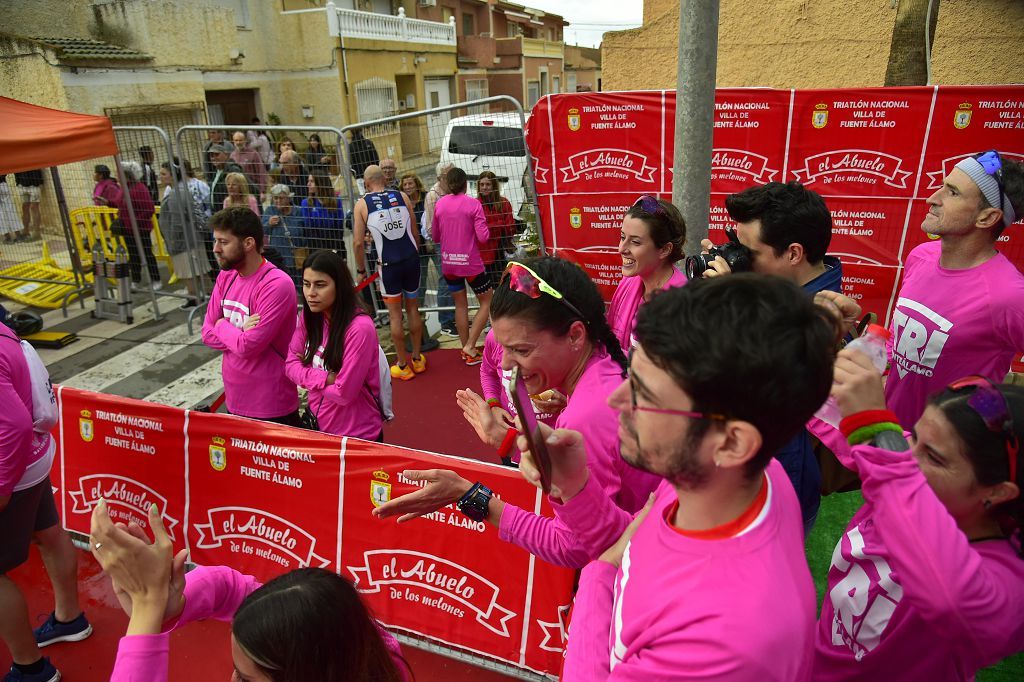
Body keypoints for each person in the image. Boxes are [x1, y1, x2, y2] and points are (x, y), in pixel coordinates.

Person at [497, 274, 836, 679]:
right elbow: (641, 542)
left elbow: (618, 555)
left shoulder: (723, 643)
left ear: (732, 442)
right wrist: (574, 486)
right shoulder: (738, 478)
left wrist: (599, 572)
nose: (616, 399)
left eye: (644, 394)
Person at [374, 257, 662, 565]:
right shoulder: (603, 370)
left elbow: (574, 548)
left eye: (521, 350)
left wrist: (469, 495)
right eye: (503, 347)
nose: (506, 365)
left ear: (576, 335)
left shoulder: (584, 416)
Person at [812, 347, 1023, 679]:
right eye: (912, 439)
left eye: (935, 457)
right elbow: (827, 411)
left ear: (999, 491)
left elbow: (953, 602)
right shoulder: (905, 469)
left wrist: (879, 435)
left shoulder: (1008, 580)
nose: (907, 457)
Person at [89, 501, 409, 681]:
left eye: (246, 680)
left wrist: (148, 606)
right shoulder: (361, 650)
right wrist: (173, 605)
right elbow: (232, 589)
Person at [701, 181, 840, 531]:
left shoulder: (824, 316)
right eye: (736, 245)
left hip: (776, 492)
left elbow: (748, 380)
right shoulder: (780, 290)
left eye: (750, 251)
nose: (741, 258)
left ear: (793, 253)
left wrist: (731, 300)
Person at [885, 151, 1024, 429]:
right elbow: (899, 348)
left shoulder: (1008, 295)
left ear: (986, 217)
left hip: (948, 461)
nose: (932, 198)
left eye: (952, 193)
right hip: (887, 436)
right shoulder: (920, 256)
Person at [2, 322, 92, 682]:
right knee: (49, 532)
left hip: (13, 467)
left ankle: (30, 668)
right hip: (36, 456)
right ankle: (69, 619)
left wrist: (3, 485)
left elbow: (13, 425)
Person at [201, 206, 300, 426]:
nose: (216, 249)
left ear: (248, 243)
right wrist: (237, 332)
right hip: (235, 398)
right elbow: (206, 333)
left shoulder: (276, 285)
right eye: (215, 241)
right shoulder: (226, 277)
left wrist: (221, 324)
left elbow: (249, 346)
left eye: (223, 242)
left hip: (271, 404)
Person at [285, 250, 387, 440]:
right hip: (319, 427)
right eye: (306, 284)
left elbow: (344, 394)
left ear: (339, 286)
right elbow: (290, 367)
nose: (310, 293)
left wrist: (306, 374)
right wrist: (326, 378)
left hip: (358, 435)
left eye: (320, 285)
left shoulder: (359, 328)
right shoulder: (308, 318)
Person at [354, 166, 425, 381]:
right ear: (383, 179)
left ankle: (403, 364)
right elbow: (414, 231)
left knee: (395, 315)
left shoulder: (362, 204)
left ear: (366, 183)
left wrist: (361, 270)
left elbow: (357, 242)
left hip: (389, 265)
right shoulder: (401, 195)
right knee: (413, 308)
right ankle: (417, 358)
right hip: (411, 260)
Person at [608, 195, 687, 350]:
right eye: (622, 237)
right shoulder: (629, 281)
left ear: (665, 249)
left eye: (635, 242)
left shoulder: (679, 306)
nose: (621, 249)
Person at [432, 166, 491, 365]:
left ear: (448, 184)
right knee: (487, 300)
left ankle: (468, 351)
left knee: (460, 305)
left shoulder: (440, 205)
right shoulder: (473, 204)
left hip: (449, 263)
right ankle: (470, 345)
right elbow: (484, 237)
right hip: (470, 263)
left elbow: (435, 236)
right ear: (466, 184)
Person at [157, 162, 207, 309]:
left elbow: (177, 222)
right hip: (191, 238)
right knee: (195, 271)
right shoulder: (180, 190)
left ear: (173, 176)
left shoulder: (174, 194)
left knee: (188, 272)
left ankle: (194, 299)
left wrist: (173, 241)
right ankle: (200, 297)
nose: (161, 177)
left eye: (164, 174)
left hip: (183, 241)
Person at [113, 160, 161, 290]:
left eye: (119, 174)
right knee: (133, 255)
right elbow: (119, 203)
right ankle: (136, 279)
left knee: (146, 253)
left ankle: (156, 279)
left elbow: (149, 209)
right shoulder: (124, 189)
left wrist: (136, 221)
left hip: (141, 229)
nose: (117, 177)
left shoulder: (139, 188)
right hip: (128, 229)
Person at [421, 163, 456, 337]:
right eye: (448, 174)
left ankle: (454, 315)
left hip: (456, 241)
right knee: (445, 280)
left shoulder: (453, 190)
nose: (451, 176)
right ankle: (446, 321)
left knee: (455, 279)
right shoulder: (434, 196)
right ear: (439, 177)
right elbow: (430, 227)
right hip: (443, 242)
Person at [477, 170, 516, 285]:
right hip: (483, 253)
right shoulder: (475, 204)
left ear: (494, 186)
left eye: (488, 184)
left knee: (503, 284)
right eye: (482, 184)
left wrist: (488, 228)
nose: (484, 187)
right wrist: (499, 225)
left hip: (501, 251)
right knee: (487, 286)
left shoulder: (504, 203)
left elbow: (511, 227)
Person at [261, 184, 305, 274]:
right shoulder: (270, 211)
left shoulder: (298, 211)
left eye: (281, 198)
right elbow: (262, 231)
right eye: (275, 198)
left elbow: (305, 231)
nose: (278, 201)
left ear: (289, 198)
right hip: (278, 258)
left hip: (296, 257)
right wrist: (268, 223)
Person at [301, 172, 345, 254]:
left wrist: (334, 249)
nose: (308, 184)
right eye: (308, 181)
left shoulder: (336, 201)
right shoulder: (306, 203)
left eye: (312, 181)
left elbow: (339, 227)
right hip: (316, 248)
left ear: (321, 183)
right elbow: (309, 230)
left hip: (335, 245)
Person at [230, 131, 269, 201]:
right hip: (239, 193)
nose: (238, 142)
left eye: (240, 140)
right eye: (236, 140)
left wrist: (263, 191)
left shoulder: (253, 154)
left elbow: (261, 172)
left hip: (253, 190)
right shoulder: (232, 156)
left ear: (245, 140)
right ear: (233, 141)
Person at [13, 170, 43, 242]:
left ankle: (37, 233)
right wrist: (18, 182)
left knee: (34, 207)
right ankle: (26, 232)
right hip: (22, 184)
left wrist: (39, 182)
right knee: (25, 207)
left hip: (34, 184)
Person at [0, 175, 25, 244]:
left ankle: (8, 238)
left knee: (2, 215)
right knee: (11, 212)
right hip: (3, 184)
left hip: (2, 184)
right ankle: (18, 236)